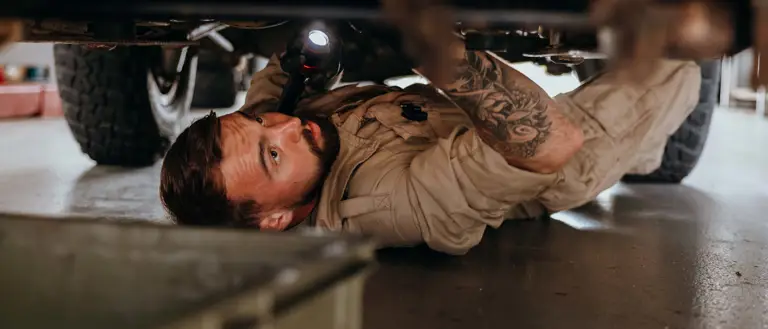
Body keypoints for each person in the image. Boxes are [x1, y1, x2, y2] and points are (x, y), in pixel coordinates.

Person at [159, 42, 701, 255]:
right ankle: (647, 151)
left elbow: (273, 86)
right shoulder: (386, 204)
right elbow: (550, 142)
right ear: (276, 220)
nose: (285, 128)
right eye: (271, 156)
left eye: (258, 123)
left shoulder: (271, 132)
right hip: (541, 158)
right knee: (677, 62)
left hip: (452, 115)